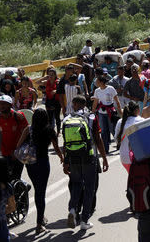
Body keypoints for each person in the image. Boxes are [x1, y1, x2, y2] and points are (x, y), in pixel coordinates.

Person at [64, 95, 109, 230]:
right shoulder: (91, 117)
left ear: (75, 105)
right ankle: (84, 221)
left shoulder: (67, 119)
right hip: (89, 157)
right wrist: (104, 158)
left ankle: (72, 209)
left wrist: (66, 161)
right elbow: (98, 138)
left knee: (76, 184)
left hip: (73, 157)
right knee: (89, 188)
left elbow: (66, 143)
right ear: (84, 104)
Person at [16, 108, 63, 234]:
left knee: (38, 190)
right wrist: (62, 158)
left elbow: (18, 145)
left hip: (31, 163)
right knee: (40, 193)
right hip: (43, 163)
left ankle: (41, 218)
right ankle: (39, 224)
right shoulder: (49, 130)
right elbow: (57, 148)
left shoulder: (28, 129)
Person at [0, 95, 29, 180]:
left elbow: (25, 134)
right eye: (0, 104)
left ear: (10, 105)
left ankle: (21, 187)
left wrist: (17, 151)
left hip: (18, 152)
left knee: (16, 176)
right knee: (5, 176)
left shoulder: (18, 116)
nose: (2, 106)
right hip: (4, 152)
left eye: (5, 104)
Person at [92, 76, 122, 153]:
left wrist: (120, 111)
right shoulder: (97, 91)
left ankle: (119, 143)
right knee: (103, 131)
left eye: (97, 81)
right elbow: (95, 101)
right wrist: (92, 111)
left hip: (110, 112)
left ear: (101, 82)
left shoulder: (110, 89)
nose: (96, 83)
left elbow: (117, 101)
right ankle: (105, 148)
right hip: (101, 113)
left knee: (112, 129)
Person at [114, 101, 144, 171]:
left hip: (124, 157)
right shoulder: (141, 120)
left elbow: (116, 139)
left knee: (132, 178)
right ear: (137, 110)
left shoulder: (120, 122)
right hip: (138, 157)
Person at [42, 68, 62, 135]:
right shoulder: (46, 82)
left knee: (57, 117)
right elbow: (37, 83)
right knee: (49, 118)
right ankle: (51, 132)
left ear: (55, 75)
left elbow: (62, 89)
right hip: (48, 101)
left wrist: (56, 91)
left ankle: (58, 131)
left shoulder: (58, 82)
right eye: (49, 75)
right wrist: (44, 77)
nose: (50, 76)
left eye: (52, 75)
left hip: (56, 101)